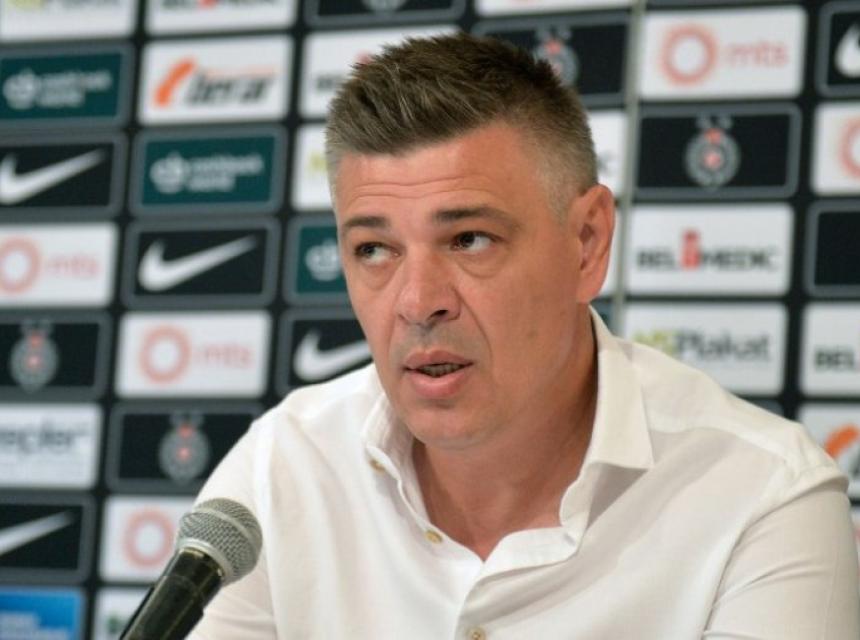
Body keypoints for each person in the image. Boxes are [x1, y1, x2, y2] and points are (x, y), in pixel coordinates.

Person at [190, 33, 860, 638]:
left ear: (586, 243)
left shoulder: (762, 497)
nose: (418, 303)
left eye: (469, 239)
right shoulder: (283, 467)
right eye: (374, 249)